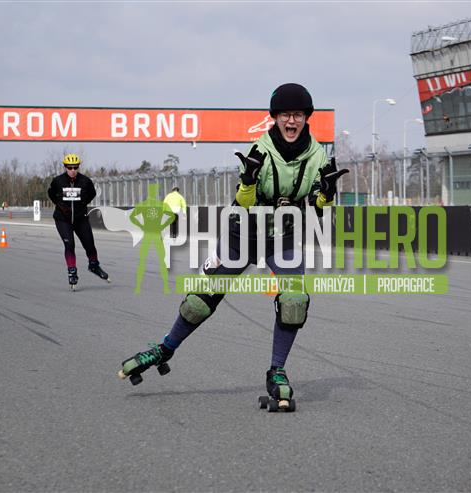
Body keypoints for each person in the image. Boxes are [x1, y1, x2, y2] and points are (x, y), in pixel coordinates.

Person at [118, 83, 348, 410]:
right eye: (285, 115)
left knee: (294, 301)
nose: (291, 121)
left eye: (298, 114)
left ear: (306, 118)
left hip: (283, 236)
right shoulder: (260, 150)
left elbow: (317, 208)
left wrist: (325, 193)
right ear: (276, 117)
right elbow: (243, 203)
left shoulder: (318, 156)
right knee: (199, 303)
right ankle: (164, 349)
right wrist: (249, 181)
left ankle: (277, 371)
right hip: (244, 234)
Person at [47, 153, 109, 289]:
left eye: (75, 167)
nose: (73, 170)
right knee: (70, 245)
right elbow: (51, 193)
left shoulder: (85, 181)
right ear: (65, 167)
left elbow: (92, 194)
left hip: (81, 219)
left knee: (90, 244)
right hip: (63, 220)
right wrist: (60, 205)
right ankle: (72, 272)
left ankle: (94, 265)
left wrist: (81, 205)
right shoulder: (58, 181)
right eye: (70, 167)